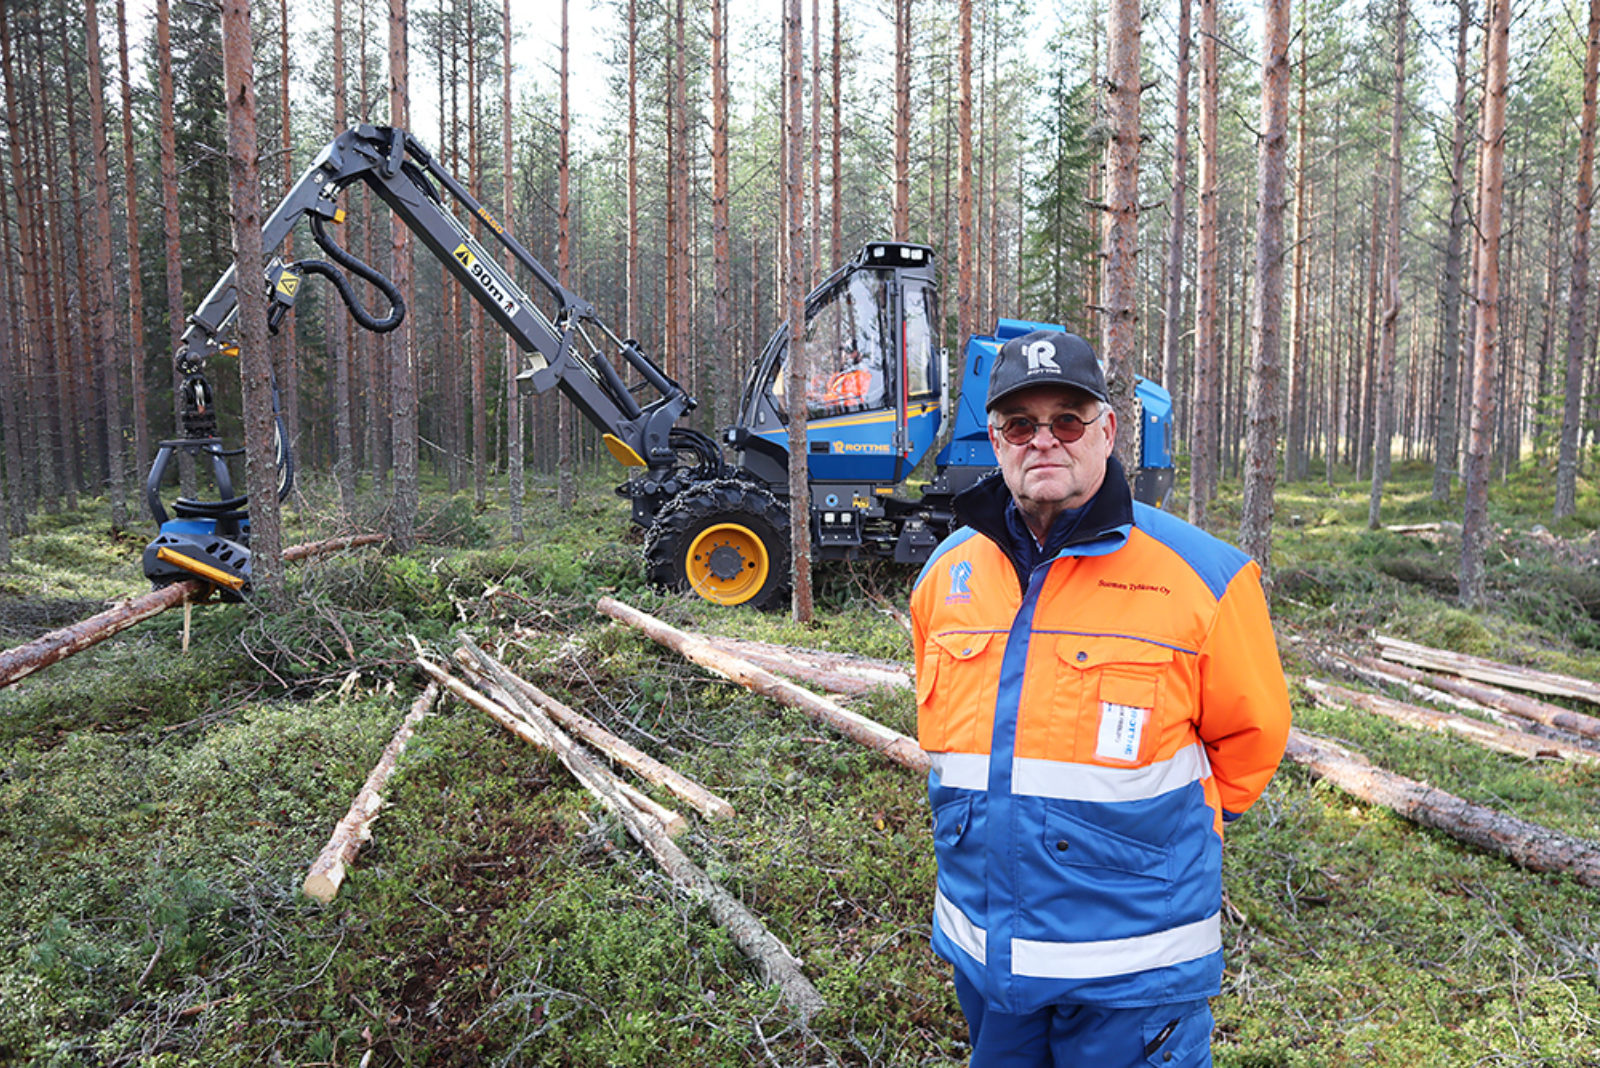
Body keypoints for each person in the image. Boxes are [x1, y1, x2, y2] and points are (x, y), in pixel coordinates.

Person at [909, 328, 1292, 1067]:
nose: (1043, 441)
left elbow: (1252, 743)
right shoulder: (945, 575)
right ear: (994, 440)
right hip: (989, 955)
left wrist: (1139, 847)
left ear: (1107, 432)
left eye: (1068, 420)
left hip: (1132, 967)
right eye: (1021, 424)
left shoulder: (1203, 578)